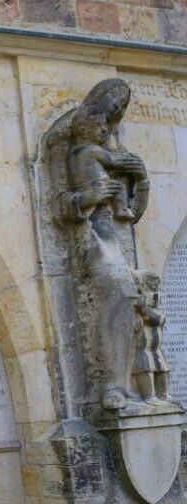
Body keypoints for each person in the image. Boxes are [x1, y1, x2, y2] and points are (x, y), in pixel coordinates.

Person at [62, 79, 149, 411]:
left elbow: (134, 214)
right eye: (111, 104)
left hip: (118, 238)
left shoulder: (117, 152)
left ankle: (128, 383)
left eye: (120, 107)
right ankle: (113, 385)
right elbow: (61, 206)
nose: (115, 111)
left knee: (133, 301)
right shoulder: (73, 146)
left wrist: (142, 179)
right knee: (120, 291)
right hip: (92, 239)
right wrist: (89, 197)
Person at [68, 108, 135, 221]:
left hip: (83, 190)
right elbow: (112, 161)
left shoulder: (73, 154)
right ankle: (122, 211)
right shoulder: (93, 149)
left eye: (104, 125)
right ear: (84, 132)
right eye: (97, 126)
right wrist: (127, 159)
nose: (104, 130)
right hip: (100, 187)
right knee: (119, 187)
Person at [132, 270, 171, 405]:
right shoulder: (136, 314)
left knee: (162, 369)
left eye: (156, 289)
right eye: (150, 290)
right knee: (146, 369)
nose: (155, 295)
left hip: (156, 350)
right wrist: (139, 313)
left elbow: (155, 320)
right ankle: (149, 395)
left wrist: (144, 310)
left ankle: (163, 394)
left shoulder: (158, 313)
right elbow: (136, 327)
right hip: (143, 350)